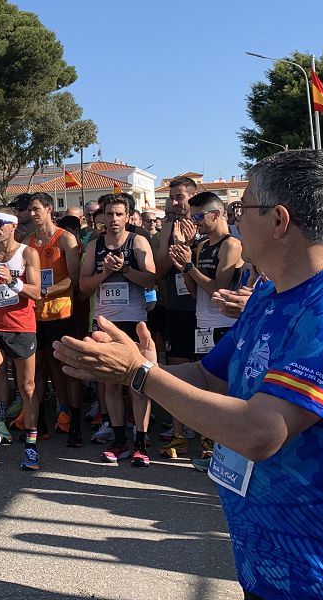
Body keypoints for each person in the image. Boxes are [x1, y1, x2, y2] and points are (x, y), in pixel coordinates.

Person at [54, 149, 323, 600]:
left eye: (245, 209)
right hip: (264, 558)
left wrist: (141, 374)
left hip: (313, 570)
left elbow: (262, 433)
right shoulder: (268, 295)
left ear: (279, 221)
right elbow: (208, 375)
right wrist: (138, 366)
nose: (237, 221)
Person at [164, 191, 244, 459]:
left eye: (199, 216)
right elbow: (196, 290)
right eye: (193, 216)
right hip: (202, 323)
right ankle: (206, 438)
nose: (195, 222)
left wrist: (189, 267)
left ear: (216, 214)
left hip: (224, 324)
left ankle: (219, 441)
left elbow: (218, 289)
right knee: (204, 385)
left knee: (220, 387)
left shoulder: (231, 245)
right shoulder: (201, 246)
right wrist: (184, 266)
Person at [79, 194, 157, 466]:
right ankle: (120, 439)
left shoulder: (138, 242)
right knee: (110, 385)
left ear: (128, 216)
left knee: (138, 385)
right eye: (109, 214)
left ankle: (142, 443)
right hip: (105, 323)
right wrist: (103, 274)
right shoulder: (94, 246)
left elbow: (151, 280)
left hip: (133, 321)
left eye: (118, 215)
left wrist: (124, 269)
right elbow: (84, 286)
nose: (113, 220)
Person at [0, 208, 42, 469]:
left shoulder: (27, 253)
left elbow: (37, 293)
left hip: (22, 328)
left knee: (28, 388)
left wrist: (13, 281)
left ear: (13, 227)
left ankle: (31, 446)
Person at [25, 193, 83, 447]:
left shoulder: (66, 239)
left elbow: (74, 278)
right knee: (37, 369)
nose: (33, 214)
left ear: (49, 209)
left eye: (37, 209)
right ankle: (40, 425)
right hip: (35, 316)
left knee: (66, 370)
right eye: (30, 210)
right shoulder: (29, 242)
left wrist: (46, 290)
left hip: (62, 313)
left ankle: (73, 422)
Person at [152, 176, 199, 453]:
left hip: (205, 308)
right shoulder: (168, 225)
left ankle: (207, 428)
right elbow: (158, 270)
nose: (174, 203)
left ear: (193, 197)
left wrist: (190, 247)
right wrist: (178, 248)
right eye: (171, 197)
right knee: (178, 370)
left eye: (179, 197)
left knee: (208, 370)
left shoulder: (207, 222)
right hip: (176, 307)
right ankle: (180, 427)